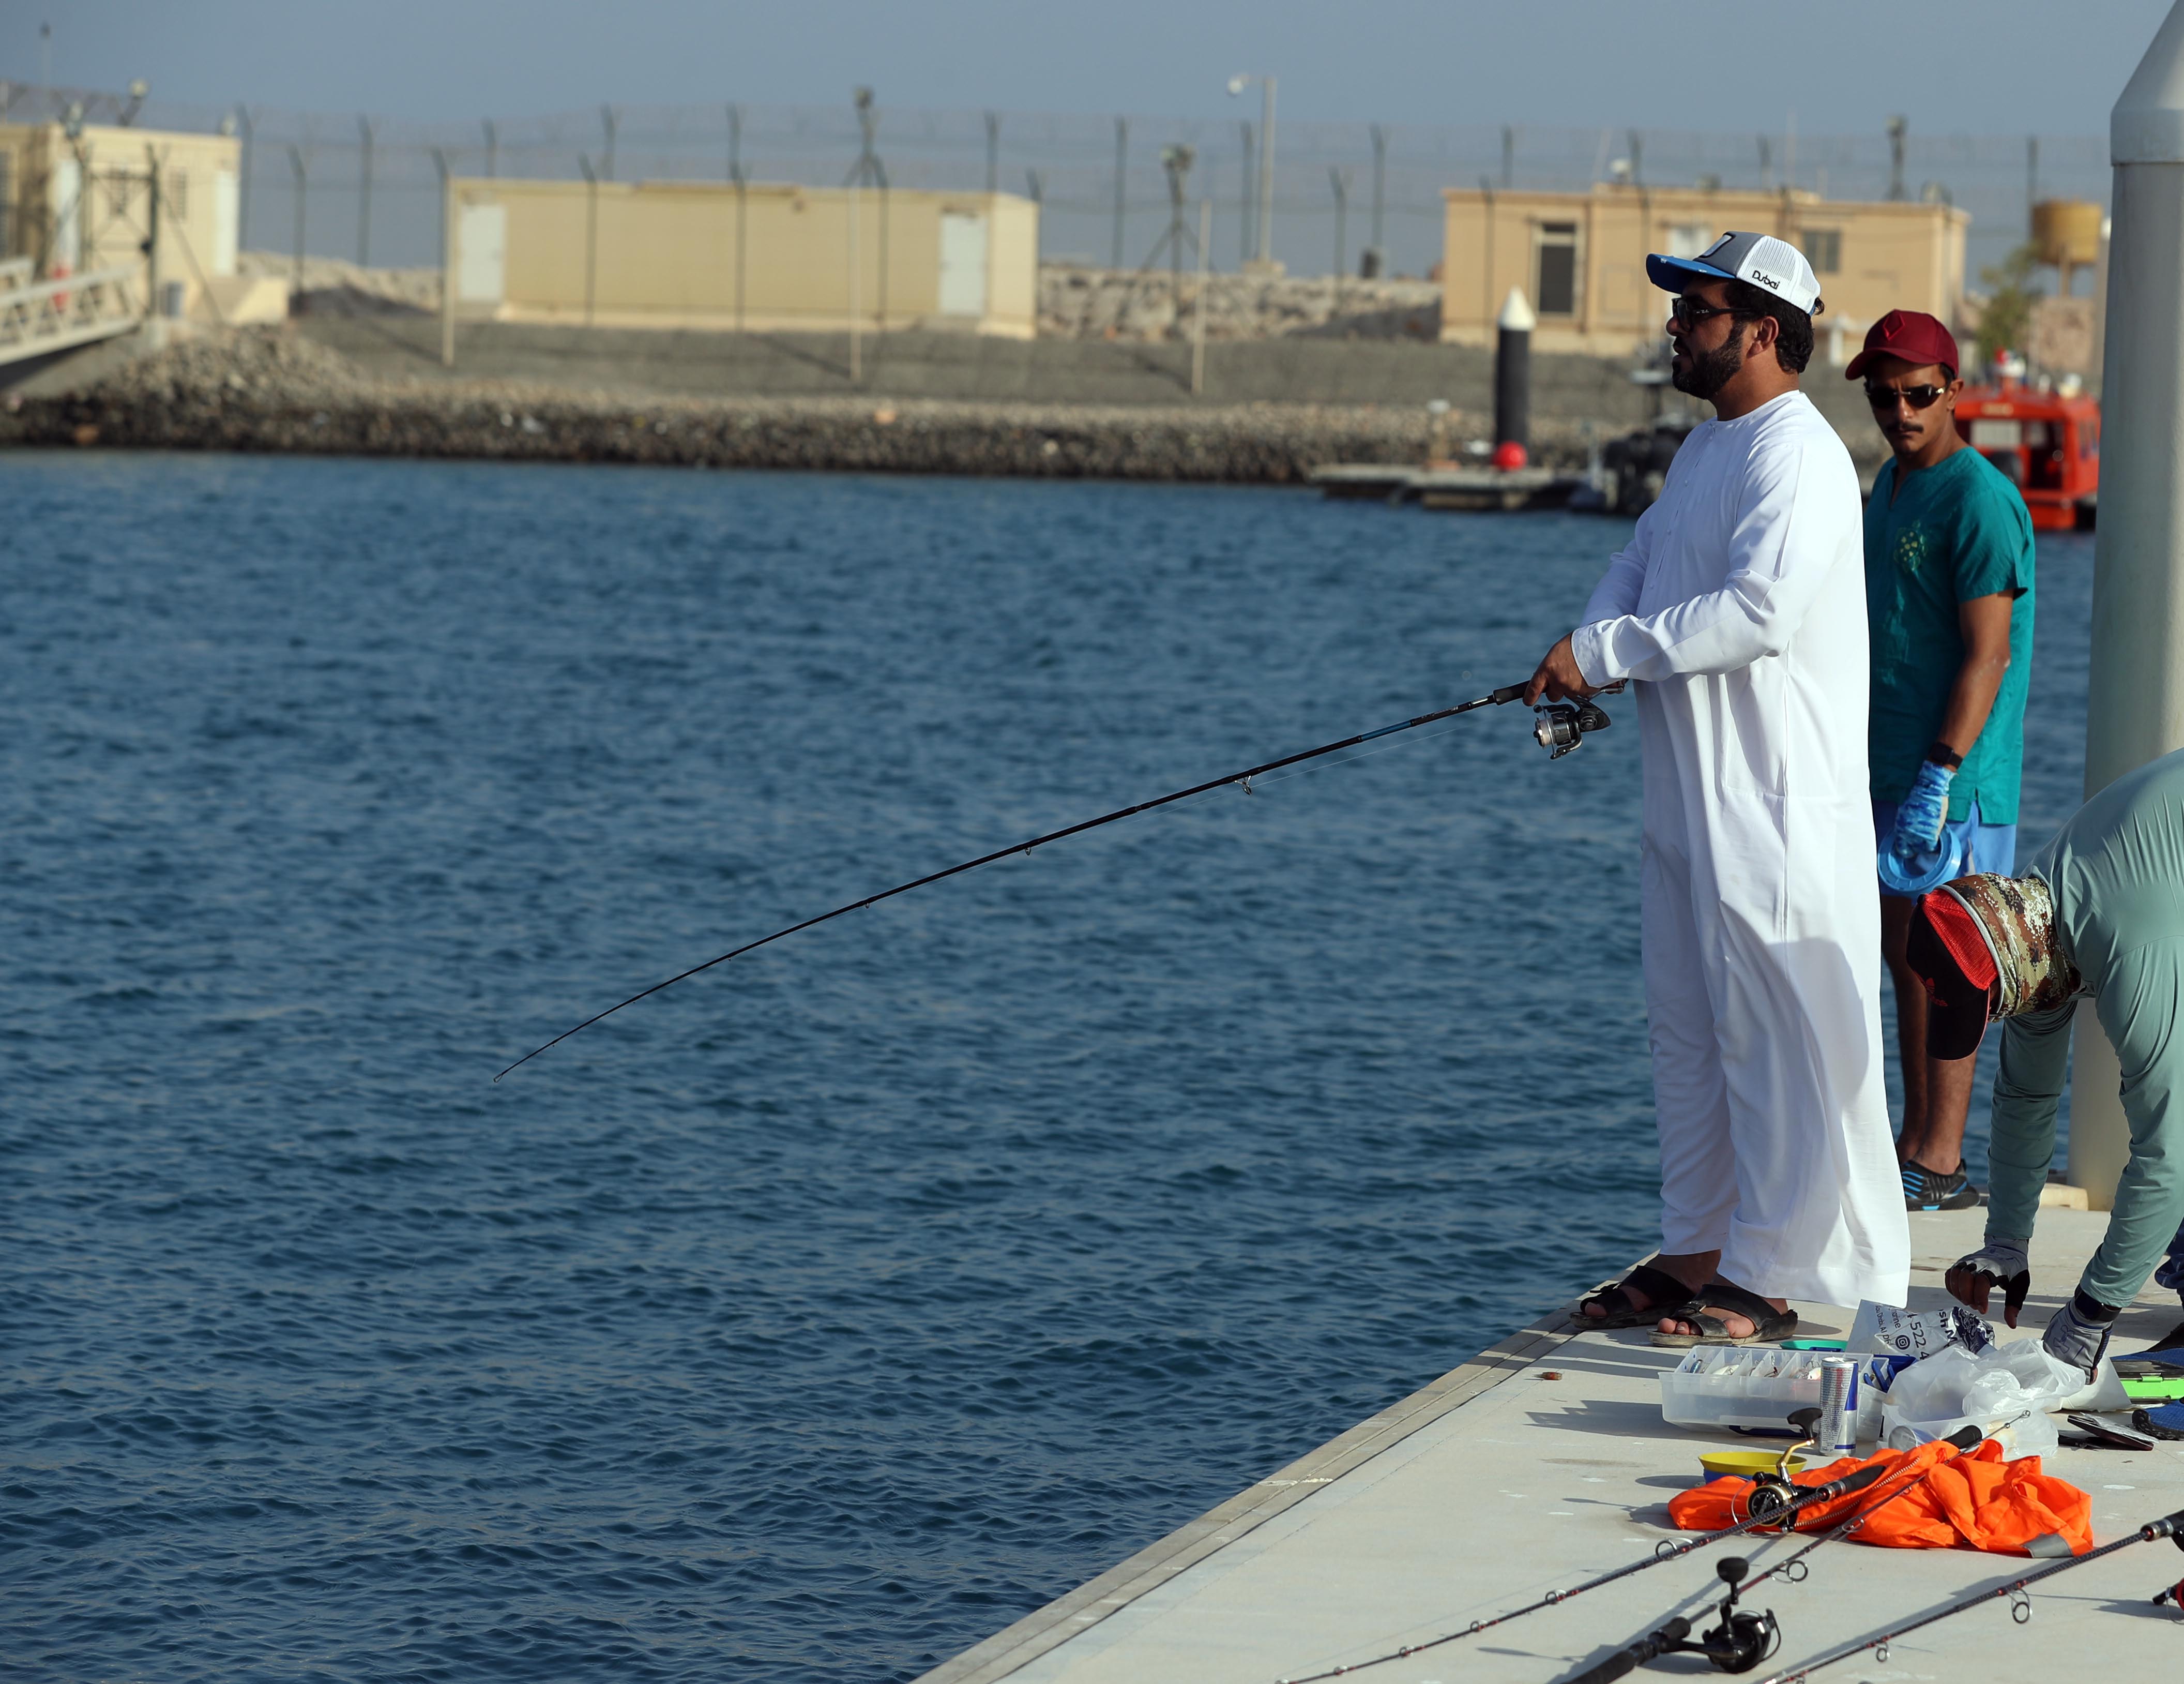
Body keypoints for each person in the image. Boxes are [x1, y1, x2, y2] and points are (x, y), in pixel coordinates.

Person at [1539, 232, 1909, 1343]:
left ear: (1762, 330)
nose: (1674, 328)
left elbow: (1760, 613)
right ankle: (1698, 1241)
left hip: (1776, 808)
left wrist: (1603, 657)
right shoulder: (1707, 453)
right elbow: (1643, 562)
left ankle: (1770, 1267)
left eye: (1695, 311)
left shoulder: (1799, 455)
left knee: (1775, 1032)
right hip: (1689, 803)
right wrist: (1584, 639)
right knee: (1688, 1029)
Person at [1905, 748, 2184, 1373]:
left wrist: (2090, 1313)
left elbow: (2169, 1152)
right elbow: (2027, 1097)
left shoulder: (2129, 939)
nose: (2015, 1016)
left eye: (2001, 1005)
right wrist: (2006, 1241)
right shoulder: (2031, 918)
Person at [1852, 310, 2036, 1213]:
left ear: (1952, 390)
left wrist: (1937, 773)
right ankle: (1914, 1147)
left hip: (1950, 782)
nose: (1899, 411)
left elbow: (1986, 653)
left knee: (1950, 964)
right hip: (1884, 770)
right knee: (1897, 954)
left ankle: (1939, 1159)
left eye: (1917, 394)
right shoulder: (1886, 484)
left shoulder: (1976, 499)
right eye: (1882, 396)